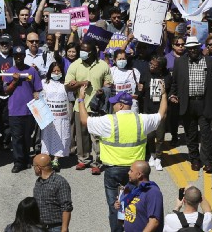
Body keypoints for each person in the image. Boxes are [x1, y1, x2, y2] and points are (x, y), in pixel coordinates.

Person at [78, 87, 167, 232]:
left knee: (115, 207)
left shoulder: (108, 121)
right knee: (135, 206)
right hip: (136, 172)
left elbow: (84, 120)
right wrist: (163, 94)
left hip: (113, 171)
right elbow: (161, 114)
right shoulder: (141, 120)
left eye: (114, 103)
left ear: (120, 105)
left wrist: (81, 99)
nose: (112, 106)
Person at [169, 36, 212, 172]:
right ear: (187, 49)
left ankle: (208, 161)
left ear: (199, 47)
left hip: (205, 102)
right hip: (187, 103)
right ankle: (194, 159)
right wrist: (172, 95)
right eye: (190, 48)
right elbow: (174, 82)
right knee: (191, 134)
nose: (192, 50)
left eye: (195, 48)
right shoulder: (180, 62)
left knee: (206, 134)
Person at [65, 41, 112, 174]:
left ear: (92, 52)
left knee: (96, 137)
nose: (82, 53)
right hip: (80, 106)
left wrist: (103, 89)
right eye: (81, 50)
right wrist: (80, 83)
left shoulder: (103, 65)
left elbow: (109, 83)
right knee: (81, 136)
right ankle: (83, 159)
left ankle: (96, 162)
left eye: (85, 51)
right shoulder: (75, 65)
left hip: (97, 108)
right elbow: (67, 85)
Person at [3, 45, 42, 173]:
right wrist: (14, 82)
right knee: (16, 137)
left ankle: (26, 159)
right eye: (16, 56)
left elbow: (38, 89)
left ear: (24, 56)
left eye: (21, 56)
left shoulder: (31, 71)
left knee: (26, 137)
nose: (19, 58)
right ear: (13, 57)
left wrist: (37, 95)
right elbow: (6, 90)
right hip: (14, 110)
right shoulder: (9, 71)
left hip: (29, 110)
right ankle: (18, 162)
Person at [114, 160, 163, 232]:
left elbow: (154, 222)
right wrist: (119, 206)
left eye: (131, 171)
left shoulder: (153, 192)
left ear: (139, 175)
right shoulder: (134, 189)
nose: (128, 173)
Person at [40, 61, 71, 169]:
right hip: (48, 117)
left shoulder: (65, 84)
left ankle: (56, 160)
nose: (56, 73)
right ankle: (46, 158)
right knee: (47, 137)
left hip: (61, 116)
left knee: (61, 136)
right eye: (54, 71)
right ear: (50, 72)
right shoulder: (44, 82)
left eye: (58, 71)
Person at [32, 154, 73, 232]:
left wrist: (64, 229)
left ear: (39, 168)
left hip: (55, 228)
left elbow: (66, 207)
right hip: (40, 227)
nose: (34, 169)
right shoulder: (38, 182)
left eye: (34, 166)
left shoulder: (59, 182)